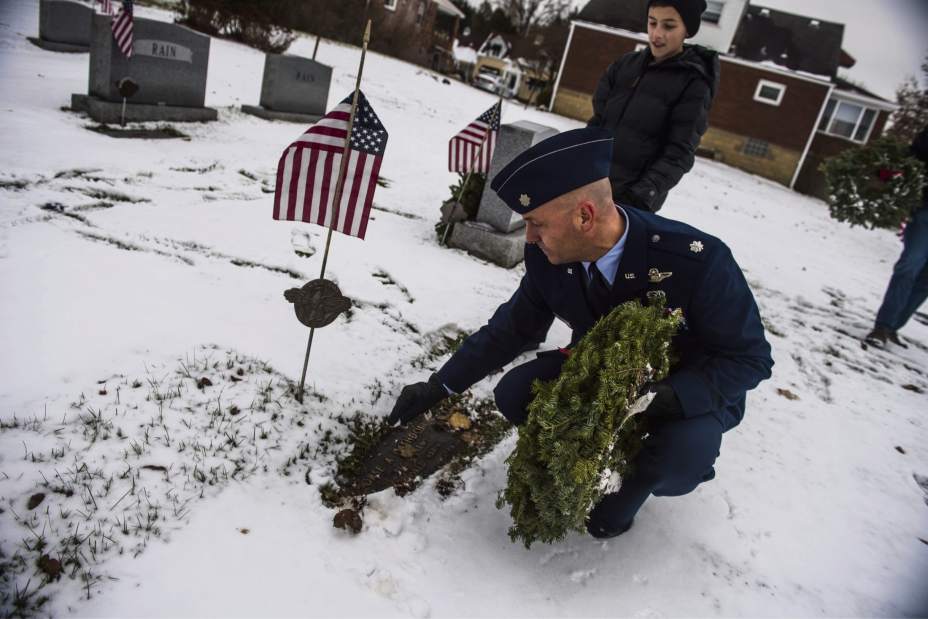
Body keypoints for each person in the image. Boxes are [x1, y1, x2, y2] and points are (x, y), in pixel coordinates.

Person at [388, 127, 773, 538]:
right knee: (515, 393)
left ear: (585, 216)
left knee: (681, 458)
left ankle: (633, 488)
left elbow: (749, 359)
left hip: (681, 389)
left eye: (537, 224)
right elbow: (512, 328)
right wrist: (440, 386)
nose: (529, 238)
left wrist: (673, 398)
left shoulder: (697, 260)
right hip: (596, 376)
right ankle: (577, 461)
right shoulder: (548, 256)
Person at [588, 0, 719, 212]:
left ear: (688, 30)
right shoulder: (625, 66)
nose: (657, 34)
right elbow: (597, 123)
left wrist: (639, 196)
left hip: (628, 206)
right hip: (589, 188)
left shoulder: (693, 83)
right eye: (652, 23)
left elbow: (679, 153)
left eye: (669, 26)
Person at [865, 126, 928, 348]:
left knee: (925, 279)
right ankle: (882, 326)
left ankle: (892, 327)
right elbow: (915, 154)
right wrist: (889, 172)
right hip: (926, 212)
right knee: (910, 265)